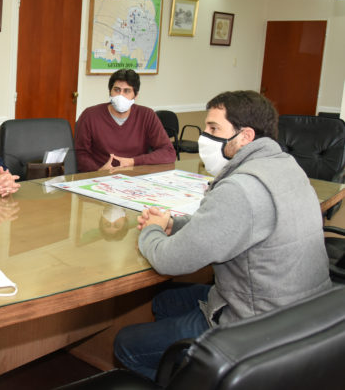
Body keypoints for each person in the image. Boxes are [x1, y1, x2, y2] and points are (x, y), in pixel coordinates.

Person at [113, 90, 331, 380]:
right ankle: (184, 367)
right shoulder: (286, 167)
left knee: (125, 343)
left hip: (255, 326)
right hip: (301, 313)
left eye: (214, 129)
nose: (205, 137)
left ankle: (198, 379)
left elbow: (169, 260)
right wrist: (173, 224)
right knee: (164, 301)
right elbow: (230, 225)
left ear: (245, 136)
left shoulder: (240, 188)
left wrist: (152, 228)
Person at [75, 69, 175, 172]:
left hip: (136, 175)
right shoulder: (90, 115)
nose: (120, 95)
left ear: (135, 95)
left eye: (127, 91)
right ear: (110, 92)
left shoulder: (147, 115)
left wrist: (133, 161)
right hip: (100, 176)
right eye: (117, 90)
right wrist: (99, 171)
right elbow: (80, 154)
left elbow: (168, 152)